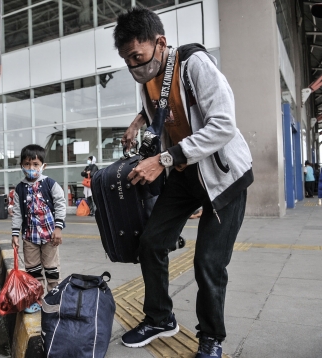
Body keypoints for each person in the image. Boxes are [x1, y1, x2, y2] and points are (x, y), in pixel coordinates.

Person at [114, 7, 254, 358]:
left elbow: (222, 125)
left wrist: (162, 160)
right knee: (151, 241)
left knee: (208, 261)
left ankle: (211, 338)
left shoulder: (194, 64)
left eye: (138, 57)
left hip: (223, 177)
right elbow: (163, 110)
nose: (134, 66)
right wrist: (136, 123)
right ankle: (160, 317)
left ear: (160, 43)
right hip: (184, 173)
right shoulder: (149, 79)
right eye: (127, 60)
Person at [11, 144, 66, 313]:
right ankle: (37, 300)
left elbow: (60, 204)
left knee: (51, 269)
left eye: (35, 164)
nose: (31, 168)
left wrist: (58, 227)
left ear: (43, 166)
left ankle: (54, 300)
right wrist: (15, 233)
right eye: (27, 164)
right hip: (29, 237)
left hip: (50, 236)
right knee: (32, 270)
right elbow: (17, 212)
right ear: (21, 165)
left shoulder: (50, 184)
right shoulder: (19, 188)